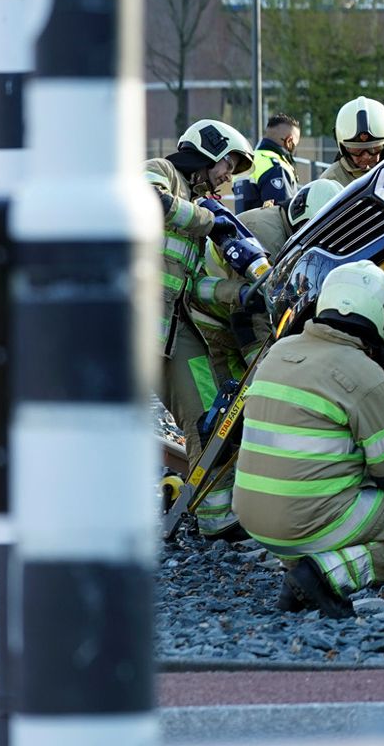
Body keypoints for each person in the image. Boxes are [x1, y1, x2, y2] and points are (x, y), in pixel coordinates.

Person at [234, 260, 384, 617]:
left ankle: (299, 581)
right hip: (303, 523)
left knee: (321, 472)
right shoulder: (366, 374)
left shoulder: (279, 353)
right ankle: (323, 577)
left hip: (254, 518)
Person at [147, 119, 258, 540]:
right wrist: (208, 220)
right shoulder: (161, 171)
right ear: (208, 152)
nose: (228, 176)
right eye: (227, 164)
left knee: (208, 418)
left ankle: (214, 514)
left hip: (170, 334)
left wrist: (241, 293)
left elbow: (192, 287)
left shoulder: (198, 207)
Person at [188, 178, 346, 385]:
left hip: (228, 308)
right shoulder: (264, 237)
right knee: (229, 401)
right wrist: (267, 369)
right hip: (211, 319)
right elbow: (250, 314)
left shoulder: (287, 230)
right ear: (305, 222)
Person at [235, 113, 301, 213]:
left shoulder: (247, 162)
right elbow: (282, 213)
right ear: (289, 141)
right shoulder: (277, 167)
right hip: (267, 228)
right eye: (295, 145)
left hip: (243, 226)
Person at [322, 97, 384, 187]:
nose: (366, 156)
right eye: (357, 150)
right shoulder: (330, 181)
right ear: (344, 149)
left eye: (374, 149)